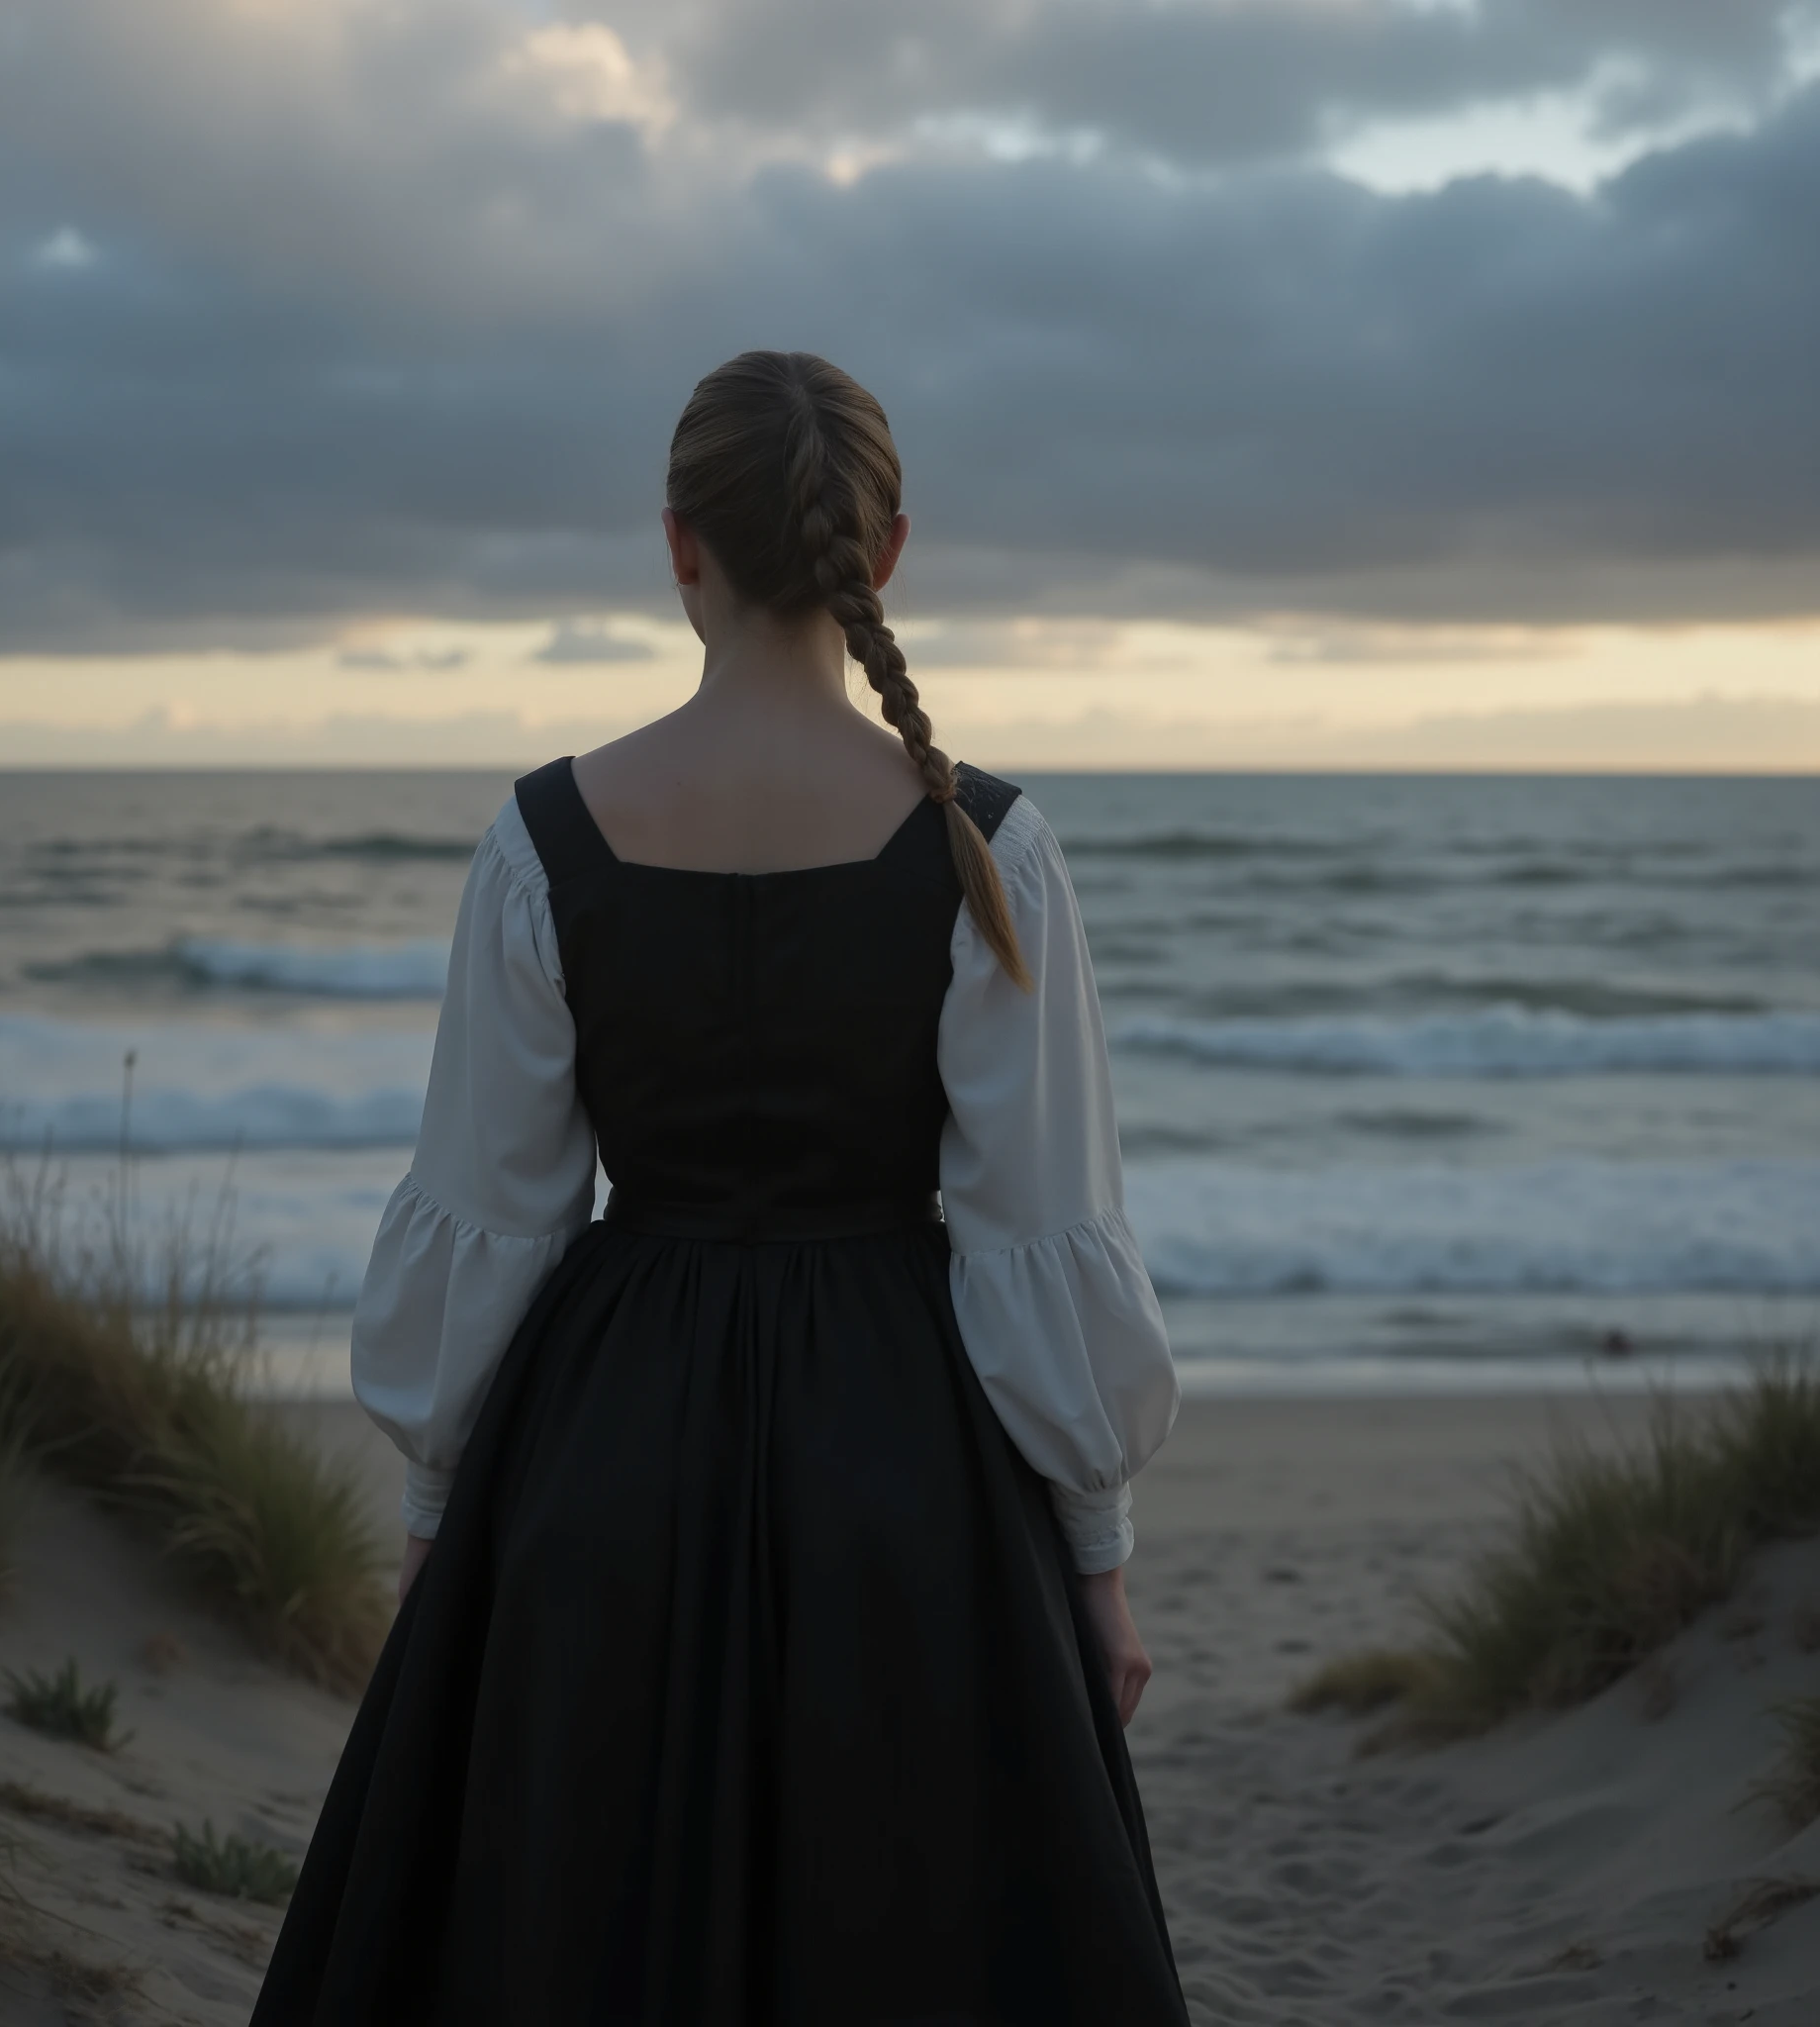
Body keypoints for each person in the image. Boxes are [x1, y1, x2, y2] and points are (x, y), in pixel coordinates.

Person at [251, 351, 1189, 2024]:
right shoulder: (988, 844)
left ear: (678, 543)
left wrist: (442, 1518)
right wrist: (1096, 1556)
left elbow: (496, 1214)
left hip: (603, 1451)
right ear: (886, 551)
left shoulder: (543, 838)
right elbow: (1035, 1231)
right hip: (910, 1469)